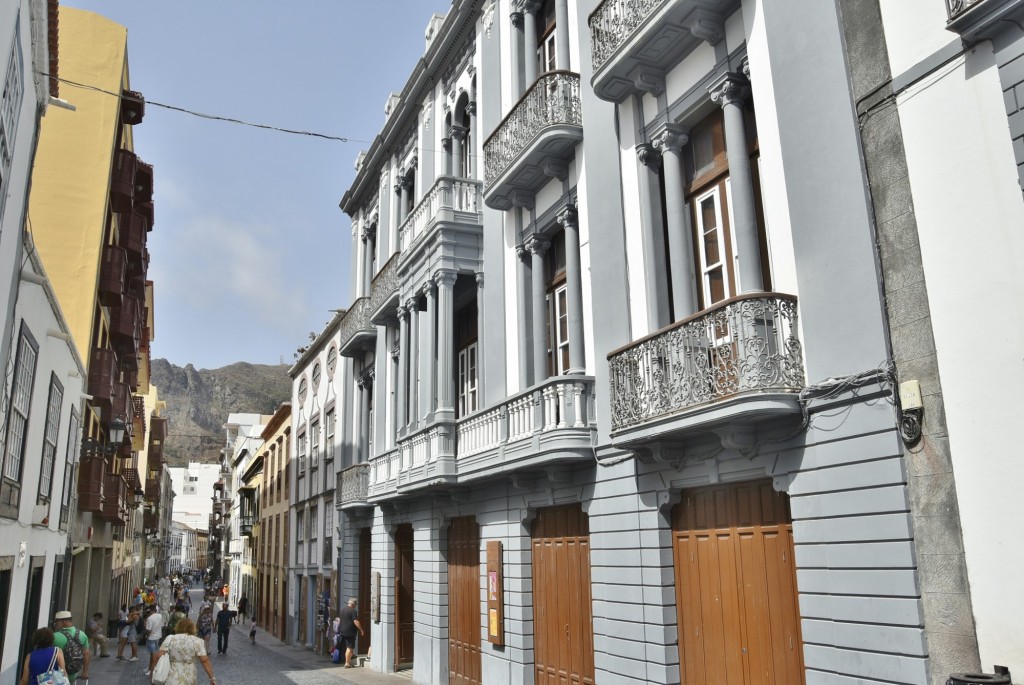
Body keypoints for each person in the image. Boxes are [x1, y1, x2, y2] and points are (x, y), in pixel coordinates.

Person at [151, 617, 216, 685]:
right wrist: (212, 678)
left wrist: (153, 673)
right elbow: (205, 660)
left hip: (172, 677)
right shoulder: (197, 641)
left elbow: (157, 657)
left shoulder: (170, 638)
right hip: (189, 677)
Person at [52, 610, 90, 683]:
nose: (55, 624)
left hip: (56, 677)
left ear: (64, 622)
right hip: (73, 675)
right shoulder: (82, 635)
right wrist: (85, 672)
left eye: (56, 622)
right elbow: (86, 654)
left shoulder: (54, 636)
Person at [336, 598, 364, 668]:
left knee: (349, 646)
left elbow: (340, 620)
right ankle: (347, 663)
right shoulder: (353, 611)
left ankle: (351, 657)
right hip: (350, 632)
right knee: (349, 647)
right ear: (353, 604)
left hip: (342, 631)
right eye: (355, 604)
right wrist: (361, 630)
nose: (355, 606)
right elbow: (355, 621)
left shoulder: (342, 610)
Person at [144, 605, 165, 676]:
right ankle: (150, 667)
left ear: (150, 611)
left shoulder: (150, 618)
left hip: (151, 637)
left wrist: (147, 635)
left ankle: (152, 670)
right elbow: (162, 625)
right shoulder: (160, 616)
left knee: (153, 654)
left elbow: (148, 629)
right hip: (158, 636)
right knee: (153, 653)